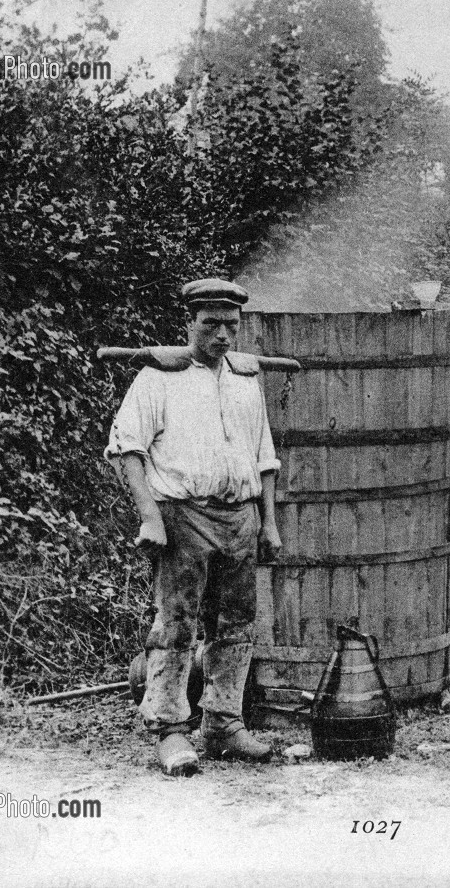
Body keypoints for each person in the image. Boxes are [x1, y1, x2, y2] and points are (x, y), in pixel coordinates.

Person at [106, 278, 282, 775]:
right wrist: (150, 516)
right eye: (211, 325)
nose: (222, 335)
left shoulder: (246, 380)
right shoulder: (159, 377)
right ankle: (169, 729)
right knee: (176, 623)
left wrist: (268, 523)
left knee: (237, 622)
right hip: (183, 515)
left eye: (231, 325)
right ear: (191, 324)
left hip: (240, 516)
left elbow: (264, 458)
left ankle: (223, 724)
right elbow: (128, 449)